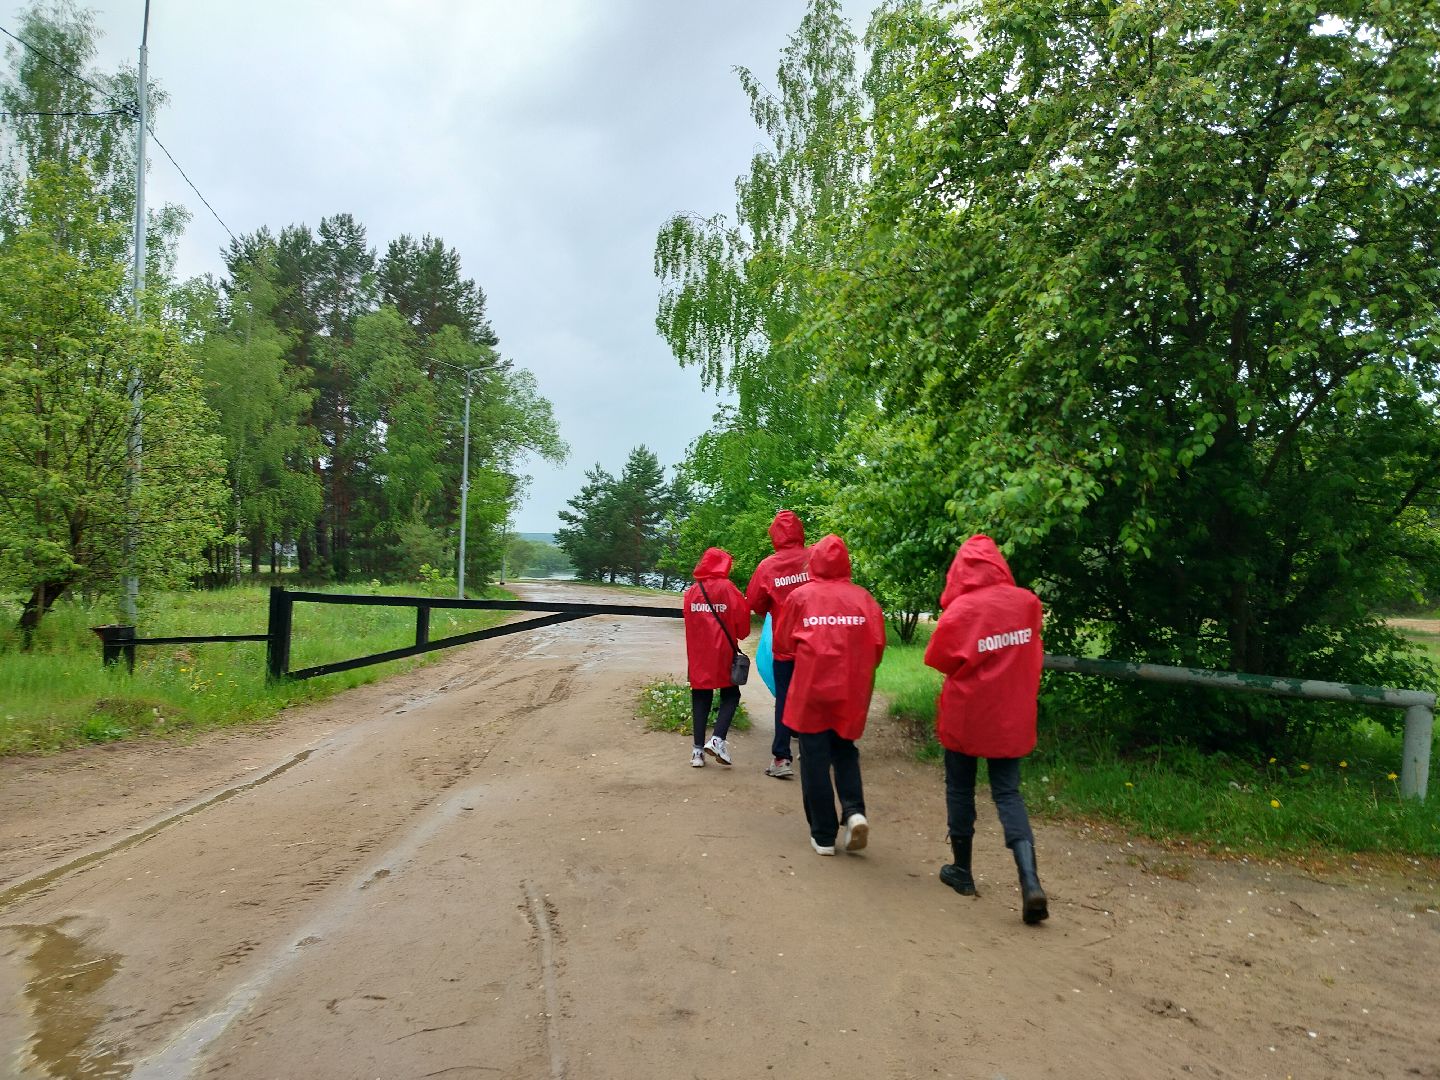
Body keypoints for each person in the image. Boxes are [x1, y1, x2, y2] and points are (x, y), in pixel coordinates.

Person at [923, 534, 1048, 925]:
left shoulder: (961, 611)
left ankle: (962, 872)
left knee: (960, 788)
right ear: (999, 565)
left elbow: (939, 659)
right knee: (1008, 793)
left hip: (968, 714)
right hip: (1011, 713)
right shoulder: (1028, 603)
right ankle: (1029, 881)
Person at [773, 534, 886, 855]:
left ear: (815, 561)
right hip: (851, 689)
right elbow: (877, 647)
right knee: (845, 750)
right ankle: (854, 812)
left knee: (814, 758)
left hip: (811, 689)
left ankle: (823, 836)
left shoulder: (800, 597)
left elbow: (782, 644)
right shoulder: (864, 599)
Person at [745, 510, 811, 779]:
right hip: (817, 642)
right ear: (800, 531)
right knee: (813, 695)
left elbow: (755, 602)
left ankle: (782, 757)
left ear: (774, 535)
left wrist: (775, 611)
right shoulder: (814, 557)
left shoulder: (767, 567)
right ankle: (813, 748)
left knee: (785, 698)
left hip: (785, 644)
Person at [682, 547, 751, 769]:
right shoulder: (728, 589)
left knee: (700, 698)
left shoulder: (692, 591)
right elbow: (743, 627)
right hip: (723, 653)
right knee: (731, 694)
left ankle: (697, 752)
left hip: (699, 654)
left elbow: (689, 621)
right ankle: (717, 739)